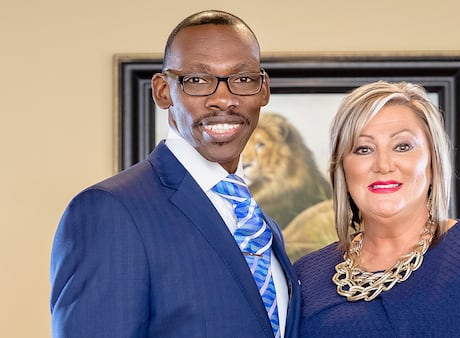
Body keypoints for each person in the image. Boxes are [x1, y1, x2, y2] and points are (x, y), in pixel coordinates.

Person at [50, 10, 299, 338]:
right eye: (197, 80)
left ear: (263, 89)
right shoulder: (110, 211)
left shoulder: (261, 225)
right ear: (162, 91)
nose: (223, 99)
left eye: (242, 79)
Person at [293, 81, 460, 337]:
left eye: (403, 146)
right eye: (363, 149)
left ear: (433, 161)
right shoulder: (307, 275)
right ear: (343, 169)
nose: (383, 165)